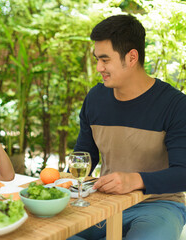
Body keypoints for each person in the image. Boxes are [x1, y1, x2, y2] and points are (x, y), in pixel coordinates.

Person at [69, 14, 186, 240]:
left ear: (132, 57)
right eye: (97, 59)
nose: (98, 68)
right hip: (105, 202)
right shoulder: (95, 99)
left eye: (105, 60)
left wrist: (135, 180)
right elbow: (84, 157)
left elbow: (183, 172)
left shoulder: (175, 105)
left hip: (158, 205)